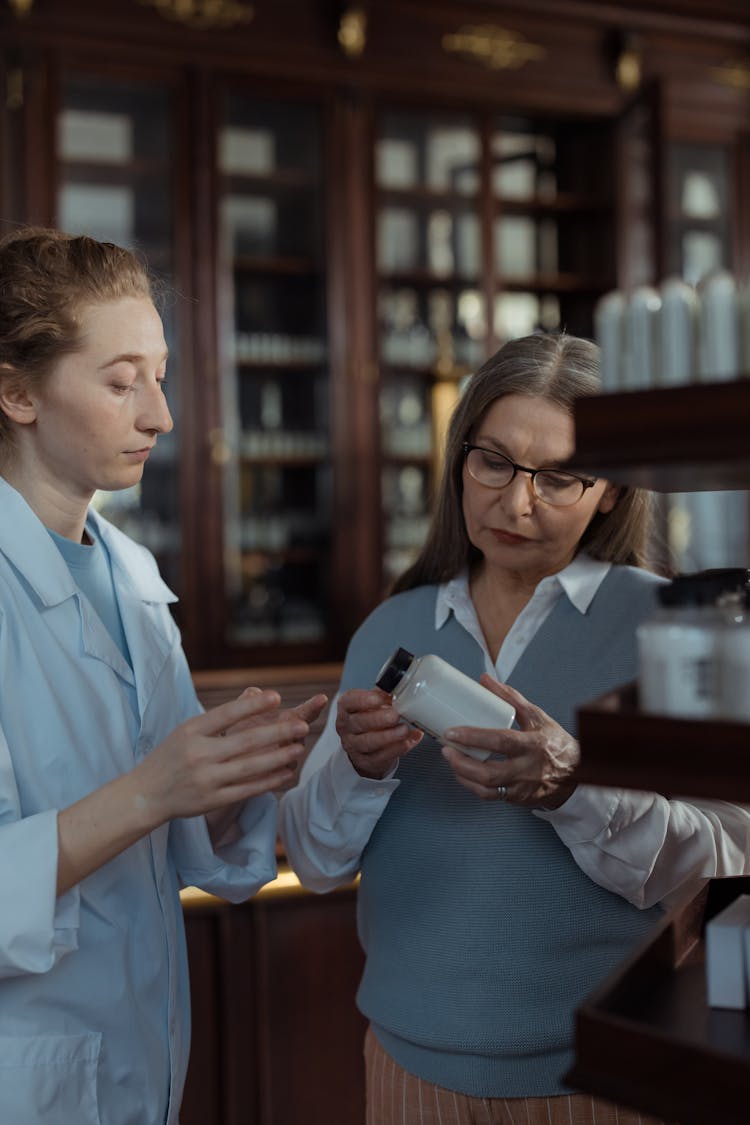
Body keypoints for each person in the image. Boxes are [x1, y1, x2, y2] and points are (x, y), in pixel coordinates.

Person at [279, 332, 750, 1125]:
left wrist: (572, 789)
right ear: (459, 456)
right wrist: (353, 771)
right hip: (409, 1072)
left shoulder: (673, 627)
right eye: (492, 461)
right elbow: (319, 864)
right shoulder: (391, 627)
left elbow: (730, 856)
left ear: (610, 489)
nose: (515, 502)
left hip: (602, 1079)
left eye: (559, 476)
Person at [0, 225, 326, 1125]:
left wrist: (242, 768)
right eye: (120, 381)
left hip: (142, 1057)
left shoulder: (133, 576)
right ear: (16, 393)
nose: (161, 415)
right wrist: (152, 790)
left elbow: (185, 846)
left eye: (161, 374)